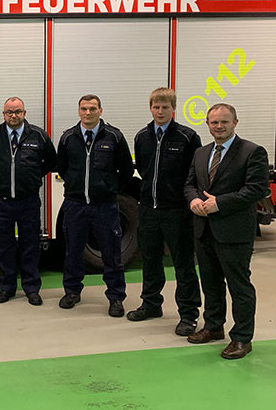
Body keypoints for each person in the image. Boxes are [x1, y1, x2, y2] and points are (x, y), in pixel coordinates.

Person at [184, 103, 269, 359]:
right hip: (204, 229)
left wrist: (218, 203)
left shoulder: (252, 152)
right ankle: (213, 326)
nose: (218, 126)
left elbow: (256, 189)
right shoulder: (201, 153)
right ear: (208, 125)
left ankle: (242, 338)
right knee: (210, 283)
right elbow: (189, 184)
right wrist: (193, 201)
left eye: (224, 122)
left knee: (239, 286)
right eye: (213, 122)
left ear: (235, 123)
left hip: (234, 232)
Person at [128, 88, 202, 336]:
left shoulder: (187, 137)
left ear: (173, 109)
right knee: (149, 259)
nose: (160, 111)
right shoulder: (142, 136)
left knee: (183, 263)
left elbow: (195, 174)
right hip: (149, 209)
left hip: (177, 211)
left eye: (165, 107)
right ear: (150, 108)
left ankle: (189, 314)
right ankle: (151, 304)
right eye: (156, 107)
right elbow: (144, 169)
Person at [56, 94, 134, 317]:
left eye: (92, 108)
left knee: (111, 254)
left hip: (105, 206)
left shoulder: (114, 137)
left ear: (101, 110)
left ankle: (116, 297)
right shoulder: (68, 138)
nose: (87, 113)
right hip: (75, 205)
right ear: (78, 111)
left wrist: (110, 190)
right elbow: (62, 166)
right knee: (73, 252)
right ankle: (72, 292)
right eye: (83, 109)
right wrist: (74, 185)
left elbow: (126, 169)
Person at [0, 97, 56, 306]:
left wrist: (29, 177)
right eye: (9, 112)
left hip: (28, 200)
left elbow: (50, 161)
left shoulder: (38, 135)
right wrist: (0, 178)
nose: (13, 116)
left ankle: (31, 289)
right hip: (0, 202)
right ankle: (7, 287)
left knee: (30, 245)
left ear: (24, 112)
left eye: (17, 112)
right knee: (3, 246)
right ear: (3, 114)